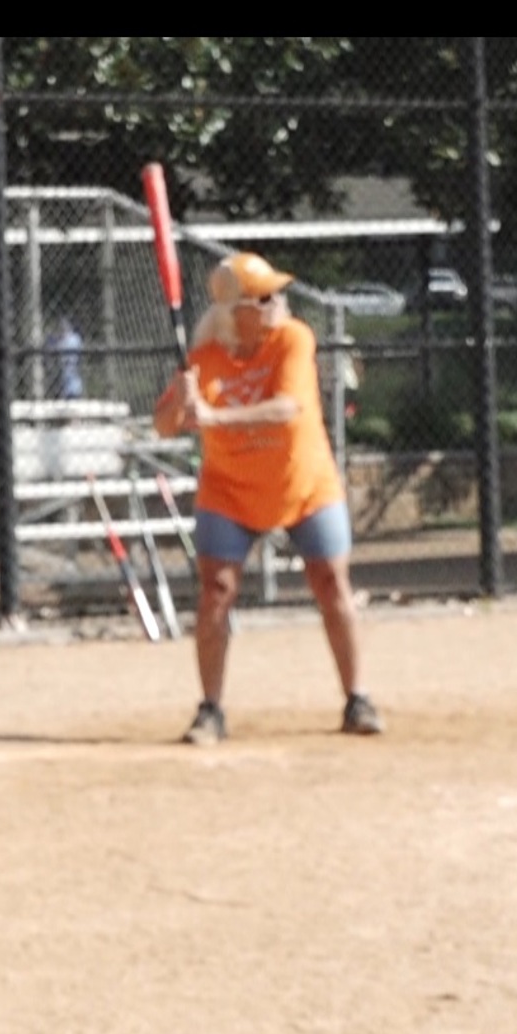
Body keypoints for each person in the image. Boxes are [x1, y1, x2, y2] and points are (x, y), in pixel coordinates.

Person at [154, 251, 381, 745]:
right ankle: (210, 709)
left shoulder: (293, 339)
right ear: (236, 312)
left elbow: (287, 407)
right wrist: (182, 402)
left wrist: (214, 418)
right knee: (216, 592)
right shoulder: (204, 358)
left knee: (330, 584)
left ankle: (357, 698)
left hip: (304, 484)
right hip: (230, 492)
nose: (280, 302)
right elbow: (165, 425)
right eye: (267, 297)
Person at [45, 315, 85, 400]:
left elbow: (58, 345)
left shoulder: (73, 339)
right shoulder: (69, 339)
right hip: (65, 385)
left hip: (72, 386)